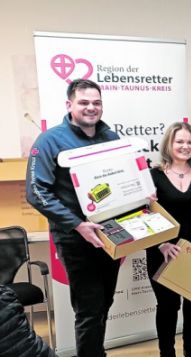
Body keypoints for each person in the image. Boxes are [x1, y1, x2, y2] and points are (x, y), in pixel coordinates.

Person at [26, 78, 122, 356]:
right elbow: (36, 191)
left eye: (96, 102)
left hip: (110, 235)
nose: (91, 108)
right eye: (84, 102)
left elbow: (119, 182)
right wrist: (77, 224)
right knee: (89, 309)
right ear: (69, 104)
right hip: (76, 239)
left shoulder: (111, 138)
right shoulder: (49, 140)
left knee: (104, 304)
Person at [146, 122, 191, 357]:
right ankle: (167, 351)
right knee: (167, 305)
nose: (185, 146)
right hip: (163, 250)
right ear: (169, 144)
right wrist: (161, 244)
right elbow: (145, 215)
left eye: (189, 141)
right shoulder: (153, 176)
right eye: (180, 141)